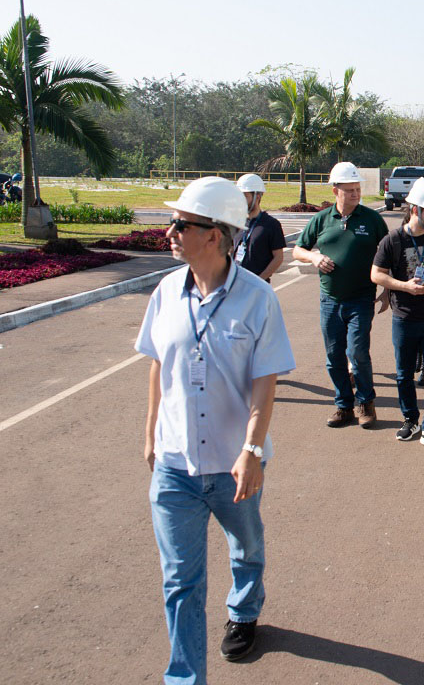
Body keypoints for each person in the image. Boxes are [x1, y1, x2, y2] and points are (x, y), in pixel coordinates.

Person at [137, 177, 296, 681]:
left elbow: (264, 383)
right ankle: (185, 677)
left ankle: (244, 611)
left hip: (234, 464)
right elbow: (157, 367)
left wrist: (251, 448)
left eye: (181, 224)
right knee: (180, 580)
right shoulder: (165, 293)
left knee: (246, 546)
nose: (170, 232)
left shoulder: (257, 300)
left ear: (214, 235)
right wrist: (149, 438)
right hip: (175, 465)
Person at [292, 162, 388, 429]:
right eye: (349, 190)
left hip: (361, 298)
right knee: (334, 356)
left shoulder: (371, 219)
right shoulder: (321, 220)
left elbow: (389, 252)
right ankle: (343, 405)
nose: (356, 194)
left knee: (357, 352)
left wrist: (388, 290)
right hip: (329, 299)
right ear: (335, 191)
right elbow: (298, 250)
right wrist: (314, 256)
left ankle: (366, 403)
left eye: (357, 189)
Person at [371, 177, 424, 450]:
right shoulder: (393, 240)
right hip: (404, 318)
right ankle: (411, 419)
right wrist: (403, 286)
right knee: (403, 374)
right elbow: (376, 274)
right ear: (416, 210)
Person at [233, 174, 286, 283]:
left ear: (257, 196)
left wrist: (259, 280)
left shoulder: (271, 224)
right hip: (235, 284)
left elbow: (278, 258)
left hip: (258, 289)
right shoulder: (235, 222)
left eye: (245, 196)